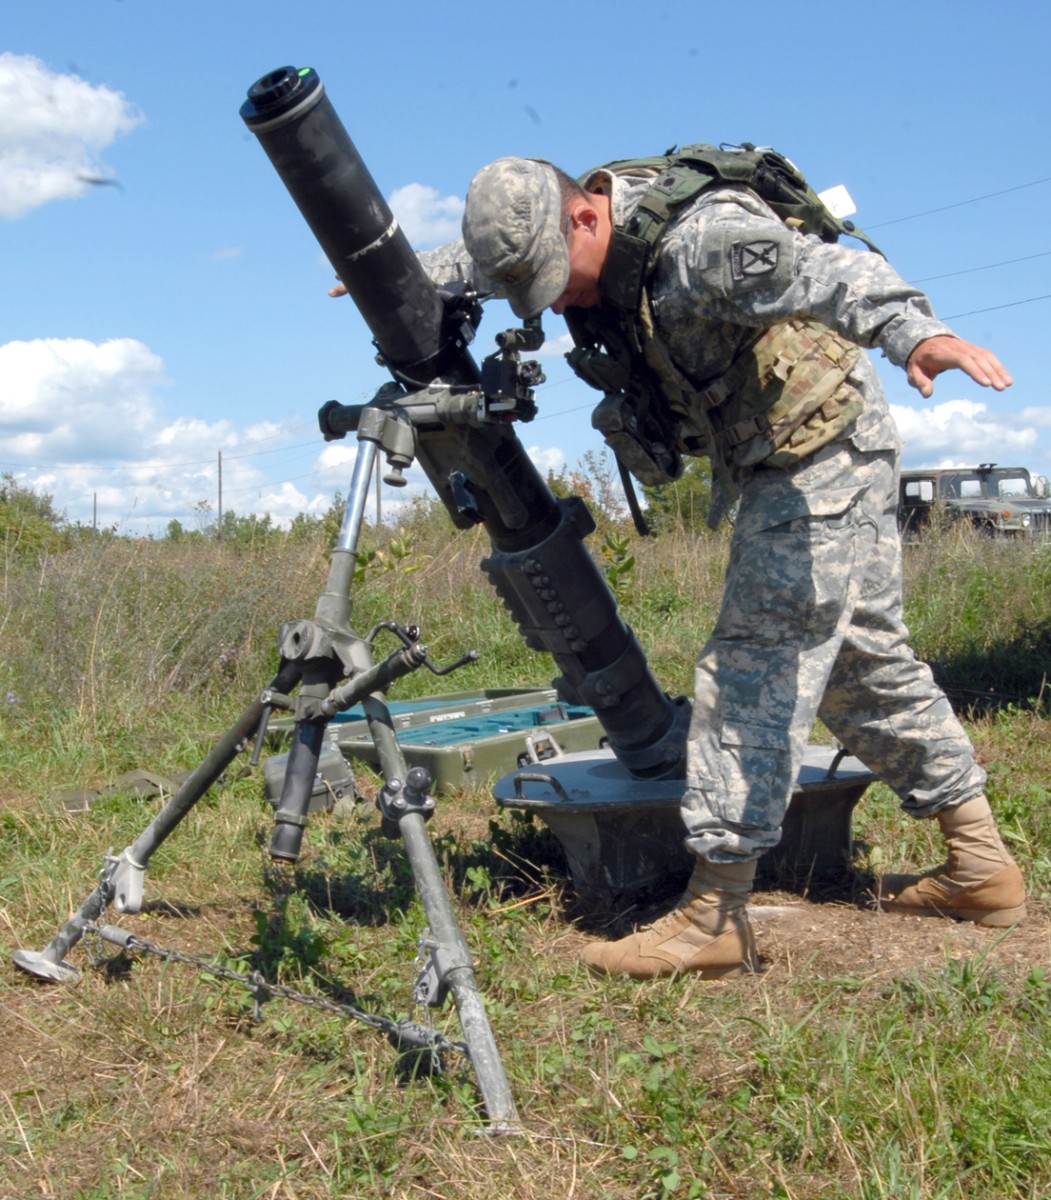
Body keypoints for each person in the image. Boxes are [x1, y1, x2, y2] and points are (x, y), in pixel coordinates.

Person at [333, 152, 1025, 981]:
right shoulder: (559, 230)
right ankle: (980, 868)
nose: (556, 302)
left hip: (820, 448)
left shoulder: (706, 245)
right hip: (777, 452)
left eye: (557, 275)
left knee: (753, 659)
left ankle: (715, 911)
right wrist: (393, 278)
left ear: (587, 216)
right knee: (859, 657)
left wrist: (919, 333)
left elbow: (832, 273)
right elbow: (484, 260)